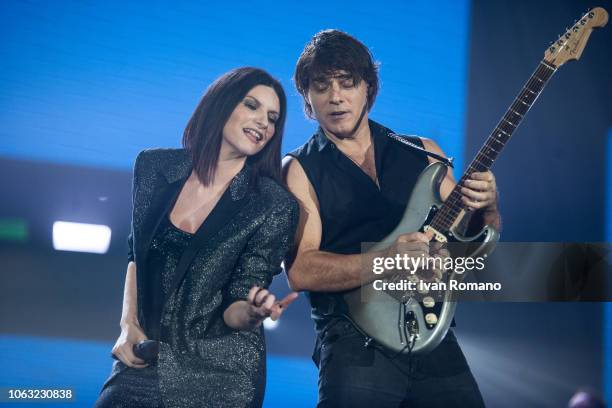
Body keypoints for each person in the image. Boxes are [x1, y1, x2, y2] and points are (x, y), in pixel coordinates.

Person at [283, 30, 501, 407]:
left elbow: (473, 247)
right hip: (355, 342)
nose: (335, 97)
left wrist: (490, 206)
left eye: (347, 82)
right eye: (321, 86)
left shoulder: (424, 153)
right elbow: (301, 270)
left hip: (433, 335)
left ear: (368, 86)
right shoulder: (300, 168)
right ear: (307, 98)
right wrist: (387, 261)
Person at [95, 67, 299, 408]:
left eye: (273, 117)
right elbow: (136, 255)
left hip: (221, 376)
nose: (264, 122)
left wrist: (252, 310)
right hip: (146, 358)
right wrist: (128, 324)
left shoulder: (272, 204)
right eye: (252, 105)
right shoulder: (153, 167)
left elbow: (237, 303)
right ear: (222, 104)